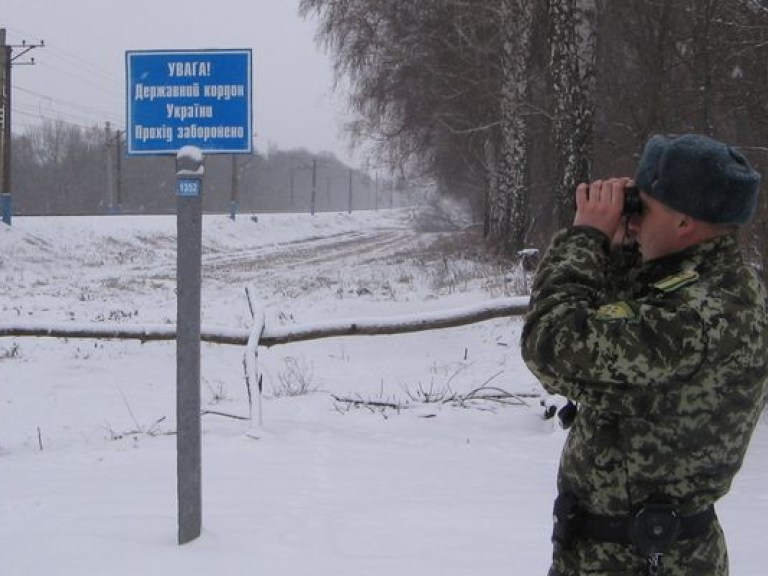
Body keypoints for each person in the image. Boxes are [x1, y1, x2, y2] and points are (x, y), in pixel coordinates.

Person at [521, 133, 768, 576]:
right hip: (638, 550)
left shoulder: (694, 318)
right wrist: (615, 251)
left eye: (642, 206)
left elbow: (551, 343)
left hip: (640, 560)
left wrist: (585, 239)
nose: (631, 218)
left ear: (683, 223)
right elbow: (626, 319)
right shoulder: (715, 281)